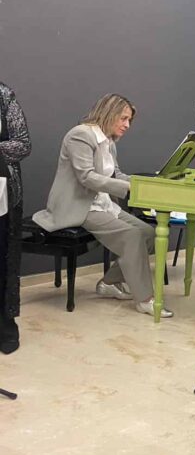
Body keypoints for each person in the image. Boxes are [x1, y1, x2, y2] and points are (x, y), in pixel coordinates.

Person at [33, 94, 172, 318]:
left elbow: (116, 174)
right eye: (124, 118)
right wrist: (128, 189)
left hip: (101, 204)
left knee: (149, 233)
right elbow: (86, 177)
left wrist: (143, 184)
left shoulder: (109, 141)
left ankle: (109, 283)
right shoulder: (79, 135)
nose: (127, 125)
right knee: (132, 236)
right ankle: (146, 299)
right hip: (79, 206)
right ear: (109, 113)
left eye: (129, 120)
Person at [0, 82, 32, 353]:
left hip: (2, 196)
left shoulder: (4, 96)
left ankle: (5, 323)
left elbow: (22, 145)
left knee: (1, 261)